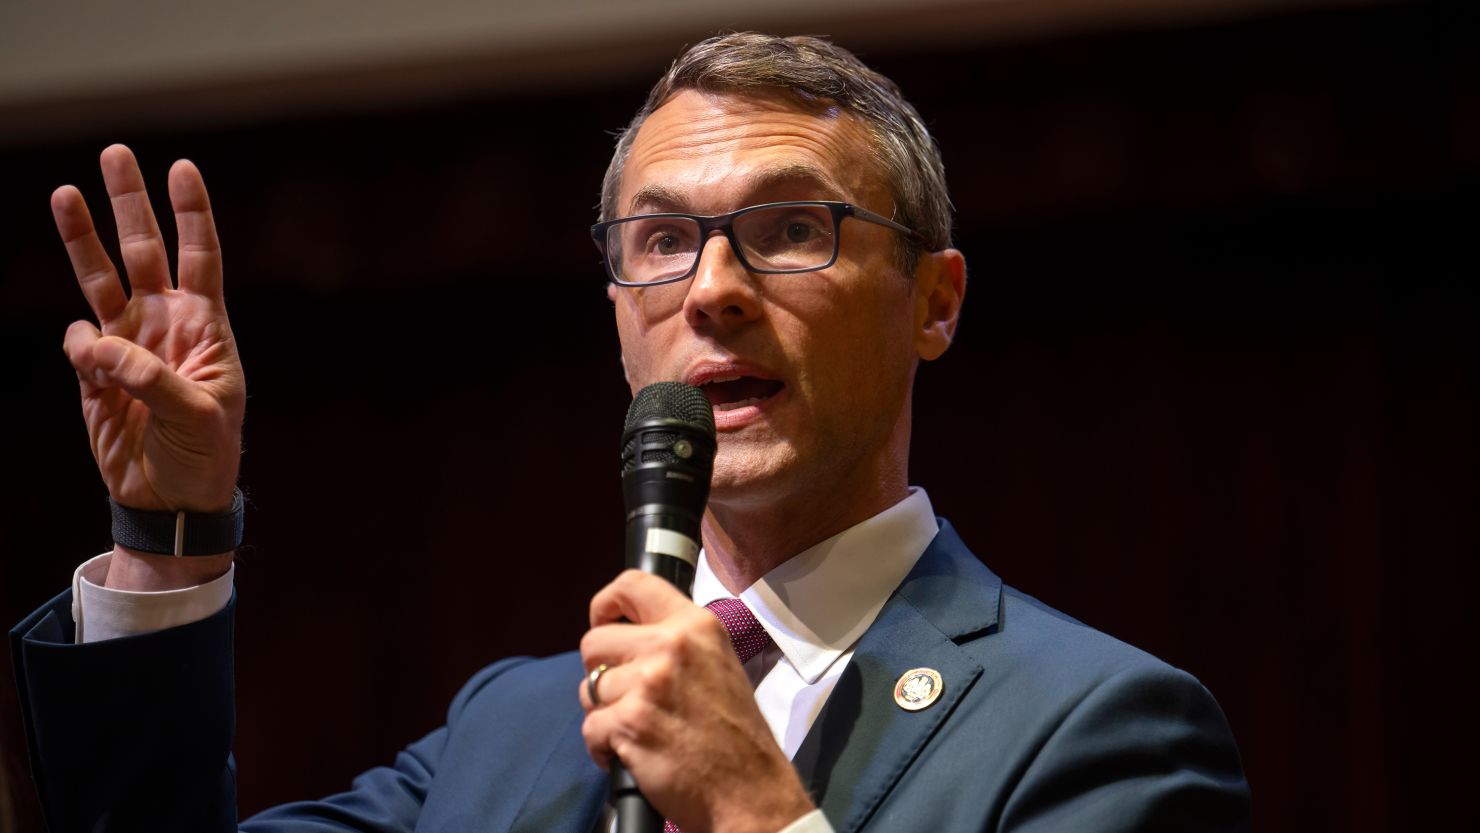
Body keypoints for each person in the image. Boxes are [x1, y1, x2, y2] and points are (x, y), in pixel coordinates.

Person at [11, 33, 1251, 833]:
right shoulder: (509, 726)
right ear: (618, 315)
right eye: (661, 241)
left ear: (935, 301)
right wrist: (169, 536)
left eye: (787, 228)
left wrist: (755, 812)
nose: (709, 286)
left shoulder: (1100, 726)